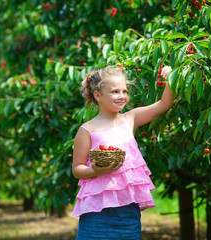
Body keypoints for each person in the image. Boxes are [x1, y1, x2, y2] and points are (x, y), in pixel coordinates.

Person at [72, 65, 174, 239]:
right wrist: (95, 171)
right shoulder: (87, 130)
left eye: (124, 91)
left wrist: (172, 77)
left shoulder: (129, 119)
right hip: (96, 212)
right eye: (115, 92)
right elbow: (77, 169)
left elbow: (164, 104)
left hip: (127, 211)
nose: (122, 96)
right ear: (98, 95)